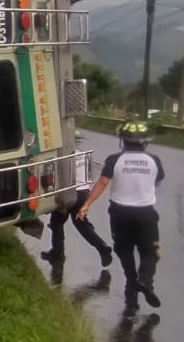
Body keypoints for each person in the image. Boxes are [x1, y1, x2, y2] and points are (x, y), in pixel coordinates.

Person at [77, 120, 165, 312]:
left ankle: (131, 282)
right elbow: (158, 180)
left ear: (123, 141)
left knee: (124, 250)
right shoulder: (154, 160)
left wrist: (86, 204)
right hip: (146, 214)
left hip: (120, 213)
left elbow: (101, 183)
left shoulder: (114, 159)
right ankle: (145, 281)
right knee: (151, 252)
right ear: (145, 142)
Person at [42, 151, 113, 268]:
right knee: (81, 223)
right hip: (83, 192)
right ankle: (102, 247)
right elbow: (88, 175)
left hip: (67, 192)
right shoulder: (83, 154)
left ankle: (57, 253)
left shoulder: (60, 154)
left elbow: (54, 177)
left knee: (57, 222)